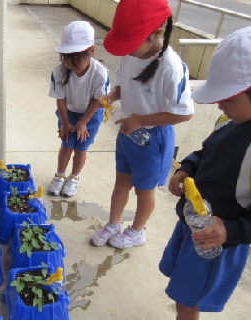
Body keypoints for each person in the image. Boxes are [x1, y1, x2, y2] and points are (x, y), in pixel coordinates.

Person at [127, 26, 251, 320]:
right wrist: (188, 167)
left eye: (228, 98)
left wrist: (231, 229)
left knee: (188, 298)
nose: (220, 105)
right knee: (186, 294)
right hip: (196, 224)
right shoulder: (238, 114)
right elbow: (209, 149)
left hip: (217, 239)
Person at [89, 0, 193, 249]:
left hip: (152, 138)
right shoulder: (130, 53)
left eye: (131, 42)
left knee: (144, 190)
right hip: (128, 130)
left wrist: (141, 121)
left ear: (157, 33)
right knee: (121, 182)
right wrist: (112, 96)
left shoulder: (170, 67)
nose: (127, 49)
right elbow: (124, 84)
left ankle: (137, 230)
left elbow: (184, 113)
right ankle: (114, 223)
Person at [47, 21, 110, 197]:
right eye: (66, 58)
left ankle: (74, 177)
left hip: (90, 114)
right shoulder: (59, 70)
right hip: (68, 112)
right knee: (67, 143)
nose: (70, 63)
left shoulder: (100, 73)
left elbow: (97, 102)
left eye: (76, 58)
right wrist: (65, 123)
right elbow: (60, 99)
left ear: (92, 51)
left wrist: (83, 123)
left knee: (81, 147)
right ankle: (60, 175)